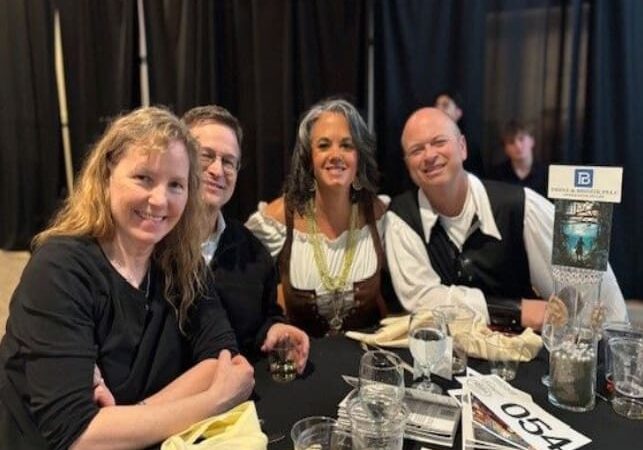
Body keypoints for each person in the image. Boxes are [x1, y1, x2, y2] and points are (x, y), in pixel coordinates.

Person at [0, 107, 254, 450]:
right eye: (144, 178)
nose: (160, 200)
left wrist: (130, 417)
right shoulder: (59, 269)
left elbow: (223, 358)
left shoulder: (182, 263)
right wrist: (214, 401)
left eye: (176, 185)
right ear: (106, 176)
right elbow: (77, 435)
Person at [385, 107, 628, 332]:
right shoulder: (401, 218)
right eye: (417, 150)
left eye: (439, 142)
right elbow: (423, 301)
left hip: (522, 364)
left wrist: (612, 348)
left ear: (462, 147)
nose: (429, 155)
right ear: (407, 164)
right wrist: (518, 310)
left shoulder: (522, 205)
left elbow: (589, 280)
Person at [246, 98, 389, 338]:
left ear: (359, 157)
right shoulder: (278, 219)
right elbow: (243, 290)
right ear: (308, 159)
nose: (336, 155)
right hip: (303, 364)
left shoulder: (378, 214)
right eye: (324, 146)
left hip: (364, 362)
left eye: (347, 145)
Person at [182, 105, 309, 373]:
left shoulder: (252, 251)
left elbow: (262, 320)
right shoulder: (149, 245)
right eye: (205, 156)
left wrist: (276, 329)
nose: (217, 170)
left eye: (229, 162)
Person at [490, 120, 547, 196]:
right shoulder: (496, 175)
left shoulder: (547, 174)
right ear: (505, 149)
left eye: (521, 139)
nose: (518, 146)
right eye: (511, 142)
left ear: (532, 141)